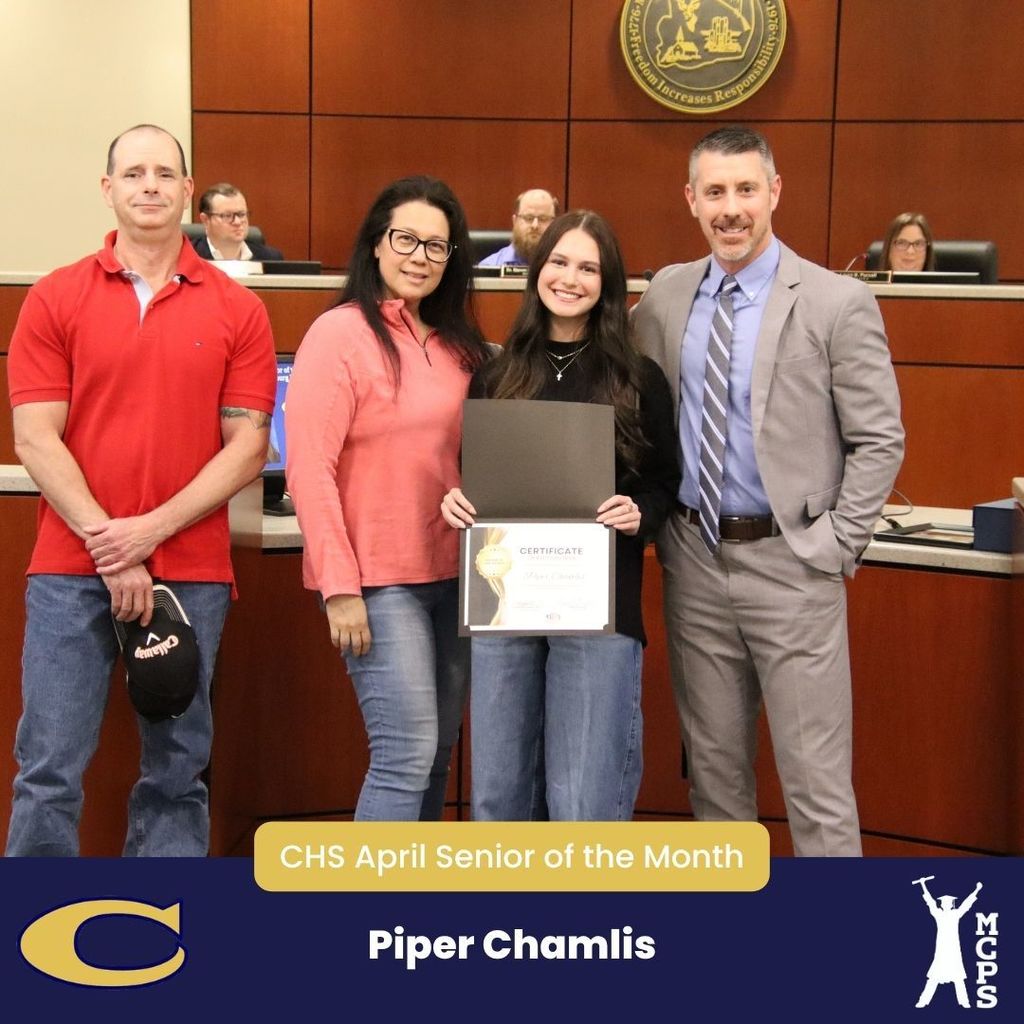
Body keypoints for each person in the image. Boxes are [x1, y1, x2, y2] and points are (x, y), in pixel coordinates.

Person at [5, 124, 277, 856]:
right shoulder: (55, 297)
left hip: (190, 572)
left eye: (164, 174)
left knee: (178, 772)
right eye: (133, 174)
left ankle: (165, 920)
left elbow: (248, 447)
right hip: (71, 570)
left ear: (187, 191)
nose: (149, 186)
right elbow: (35, 438)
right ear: (108, 189)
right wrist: (114, 546)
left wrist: (146, 533)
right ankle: (34, 925)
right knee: (48, 770)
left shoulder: (239, 309)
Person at [632, 125, 904, 856]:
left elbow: (880, 438)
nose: (732, 208)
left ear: (775, 192)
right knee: (715, 783)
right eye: (715, 191)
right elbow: (627, 405)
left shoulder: (836, 301)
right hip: (694, 564)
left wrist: (836, 545)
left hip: (794, 568)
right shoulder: (664, 297)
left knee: (817, 789)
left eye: (746, 189)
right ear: (691, 200)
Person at [442, 210, 679, 821]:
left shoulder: (638, 378)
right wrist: (456, 500)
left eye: (588, 268)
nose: (570, 279)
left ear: (608, 283)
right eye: (559, 262)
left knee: (583, 803)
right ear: (537, 270)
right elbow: (476, 482)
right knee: (499, 795)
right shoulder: (495, 376)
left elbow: (664, 483)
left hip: (599, 608)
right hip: (503, 606)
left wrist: (639, 512)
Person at [285, 175, 490, 821]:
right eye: (406, 239)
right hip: (377, 582)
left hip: (456, 578)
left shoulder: (461, 348)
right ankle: (369, 887)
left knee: (437, 753)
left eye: (437, 245)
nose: (419, 257)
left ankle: (412, 882)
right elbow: (308, 468)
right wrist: (338, 588)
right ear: (376, 243)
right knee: (406, 752)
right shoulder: (339, 334)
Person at [915, 879, 983, 1008]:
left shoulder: (956, 914)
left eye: (949, 902)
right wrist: (923, 885)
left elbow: (966, 904)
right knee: (934, 977)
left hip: (954, 950)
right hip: (941, 950)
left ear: (952, 904)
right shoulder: (938, 914)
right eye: (944, 902)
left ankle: (965, 1002)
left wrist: (976, 890)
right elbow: (930, 902)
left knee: (958, 978)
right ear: (941, 904)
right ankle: (923, 1001)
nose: (946, 904)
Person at [193, 182, 284, 261]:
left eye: (241, 214)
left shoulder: (270, 258)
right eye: (227, 215)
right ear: (205, 220)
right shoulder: (189, 257)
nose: (237, 222)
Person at [477, 188, 559, 267]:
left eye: (543, 219)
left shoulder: (564, 268)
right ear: (515, 221)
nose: (535, 225)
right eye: (528, 218)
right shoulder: (489, 266)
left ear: (556, 223)